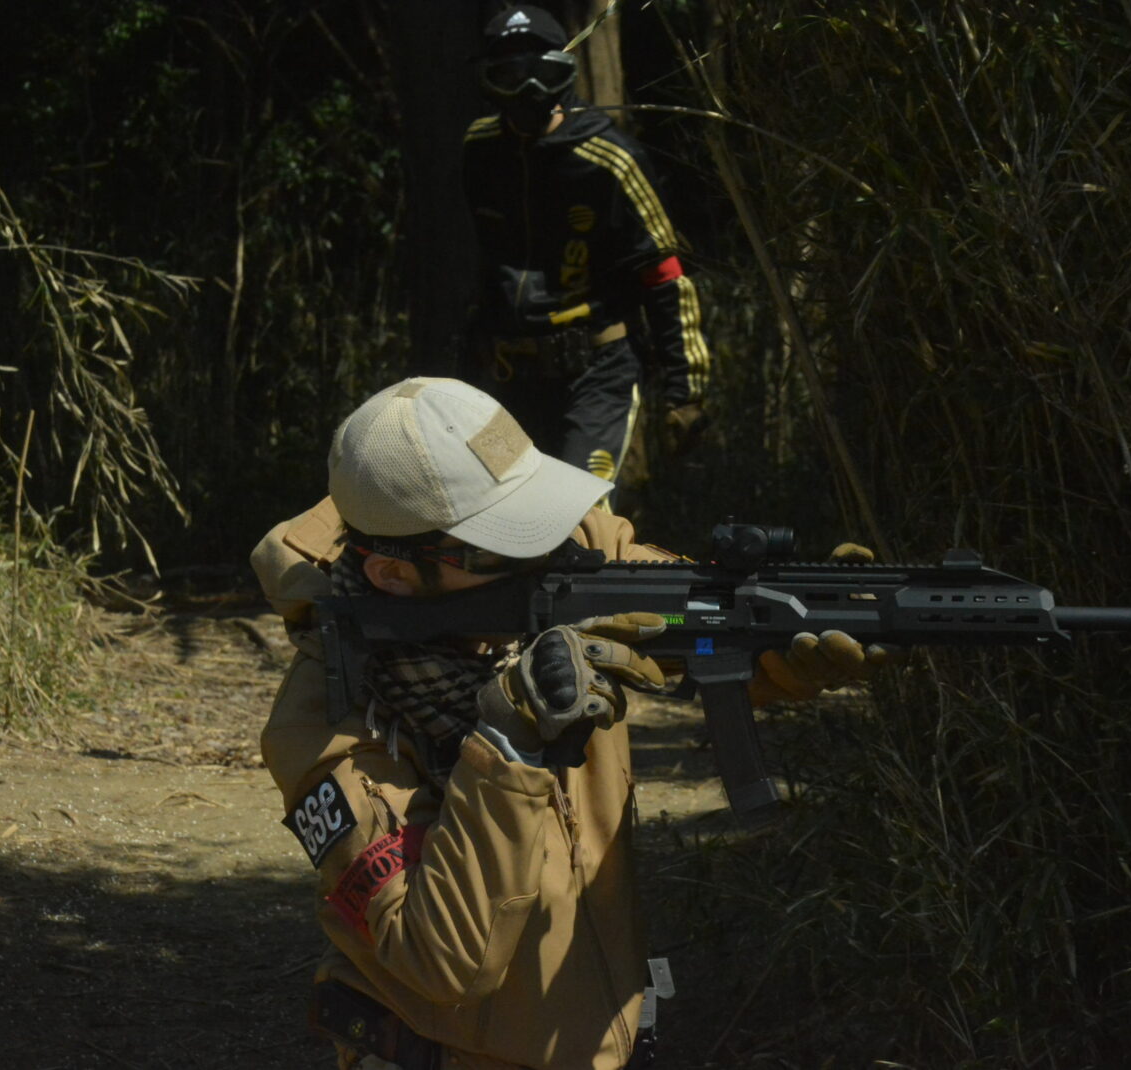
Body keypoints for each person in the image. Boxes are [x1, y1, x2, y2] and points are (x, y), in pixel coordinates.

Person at [251, 377, 887, 1070]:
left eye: (538, 513)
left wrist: (785, 640)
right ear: (393, 574)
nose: (548, 549)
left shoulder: (569, 551)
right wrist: (507, 744)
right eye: (507, 541)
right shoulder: (326, 725)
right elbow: (441, 962)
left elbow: (692, 620)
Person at [461, 5, 712, 499]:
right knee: (493, 513)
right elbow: (487, 263)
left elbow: (664, 273)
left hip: (597, 373)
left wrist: (686, 394)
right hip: (509, 376)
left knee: (577, 517)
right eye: (508, 74)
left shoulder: (610, 159)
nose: (526, 89)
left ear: (563, 71)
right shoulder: (480, 149)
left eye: (539, 71)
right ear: (489, 81)